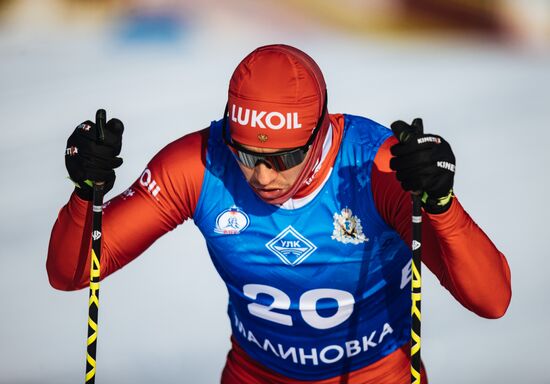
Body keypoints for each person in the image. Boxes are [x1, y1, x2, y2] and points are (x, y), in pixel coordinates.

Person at [47, 44, 512, 384]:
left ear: (321, 130)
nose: (264, 176)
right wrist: (85, 192)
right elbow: (70, 273)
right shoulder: (198, 164)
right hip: (256, 376)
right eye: (247, 156)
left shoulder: (374, 166)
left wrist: (441, 205)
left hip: (376, 377)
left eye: (284, 158)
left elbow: (492, 301)